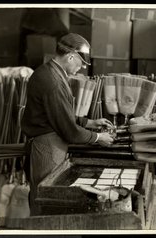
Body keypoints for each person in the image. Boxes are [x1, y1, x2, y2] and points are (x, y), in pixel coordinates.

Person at [21, 33, 114, 215]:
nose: (81, 69)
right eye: (81, 64)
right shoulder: (52, 81)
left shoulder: (52, 72)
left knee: (48, 195)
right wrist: (98, 137)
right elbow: (69, 130)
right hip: (48, 146)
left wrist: (90, 122)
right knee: (46, 198)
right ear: (71, 56)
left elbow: (61, 114)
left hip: (51, 142)